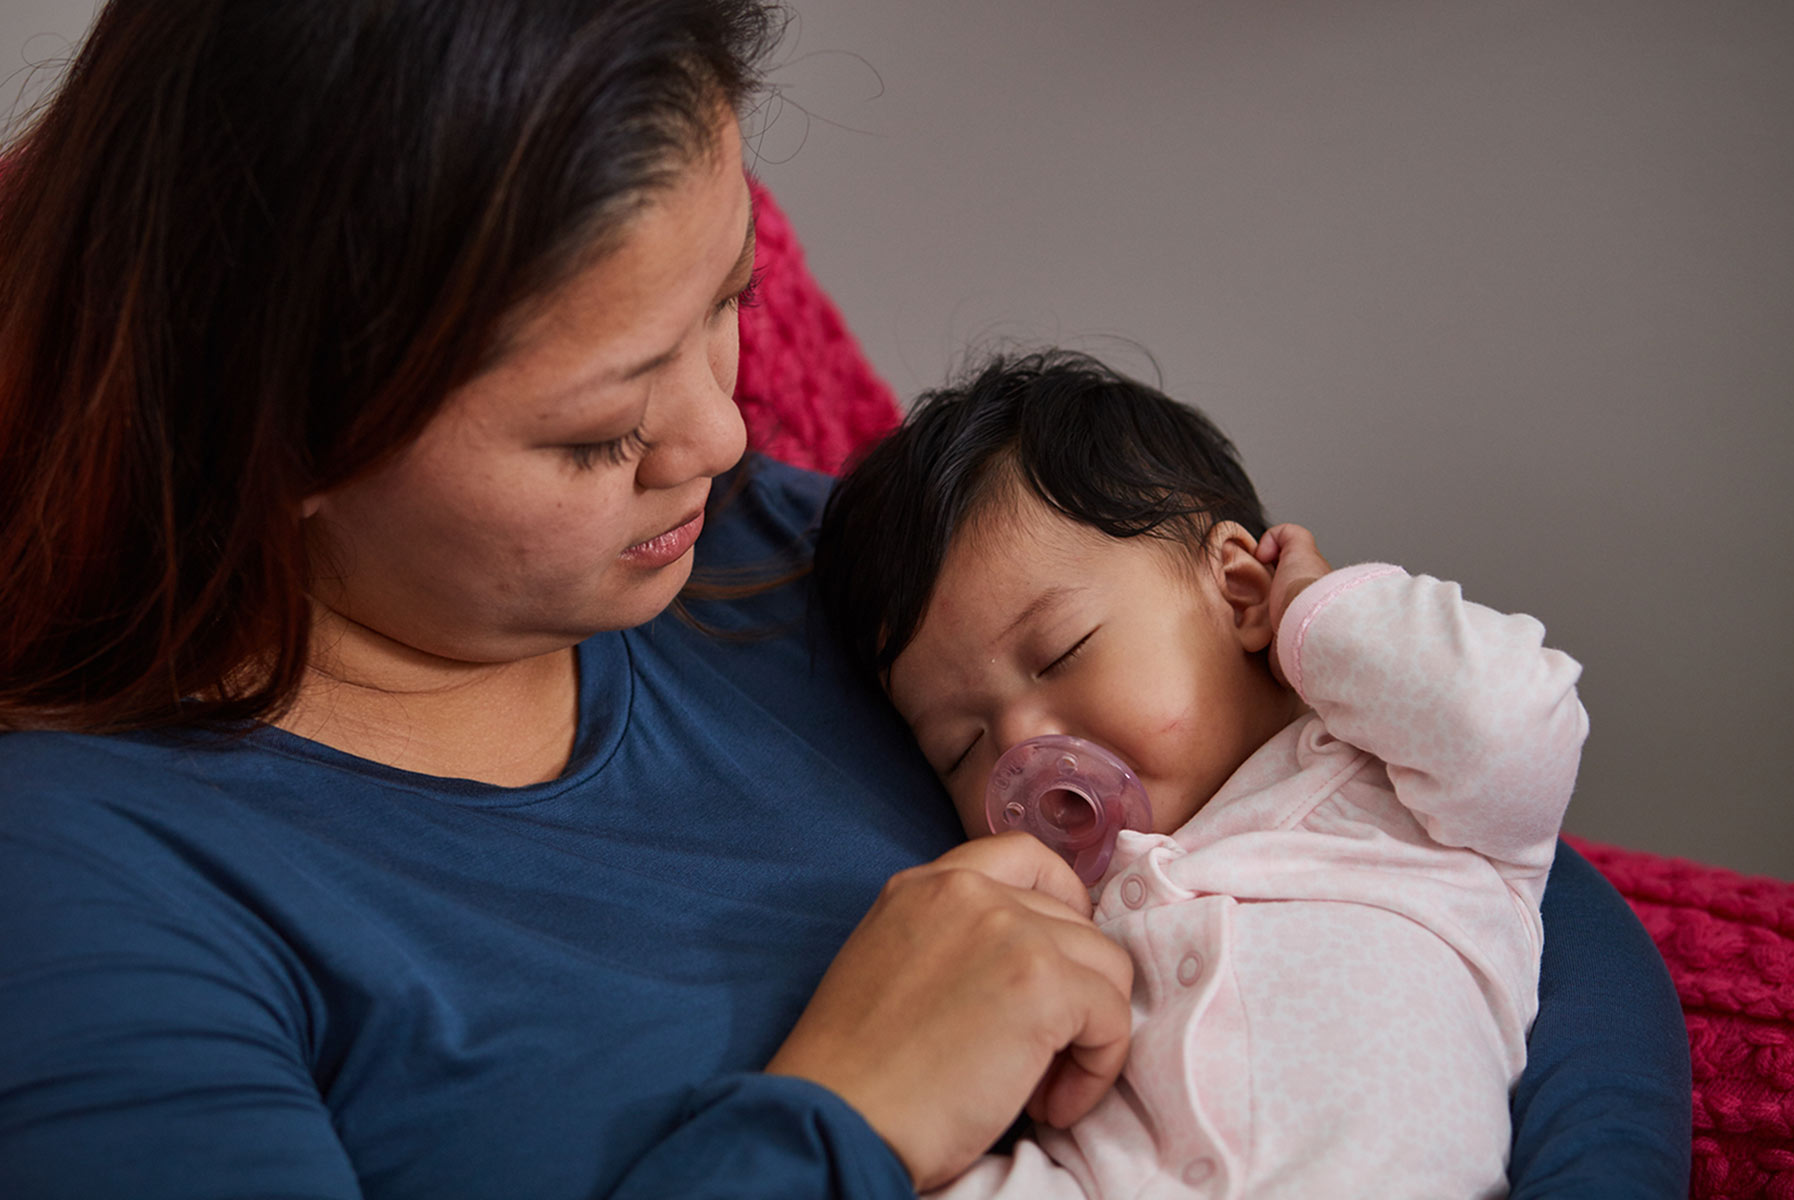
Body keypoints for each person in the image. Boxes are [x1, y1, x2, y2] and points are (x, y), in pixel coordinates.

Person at [0, 2, 1689, 1198]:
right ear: (282, 426)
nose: (726, 435)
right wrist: (845, 1120)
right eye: (603, 430)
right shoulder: (91, 886)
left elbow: (1485, 880)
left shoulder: (814, 569)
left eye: (728, 301)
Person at [813, 349, 1615, 1196]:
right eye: (960, 748)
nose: (1021, 746)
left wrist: (1313, 613)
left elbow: (1515, 718)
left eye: (1062, 653)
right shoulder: (1055, 913)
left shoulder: (1405, 790)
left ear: (1236, 592)